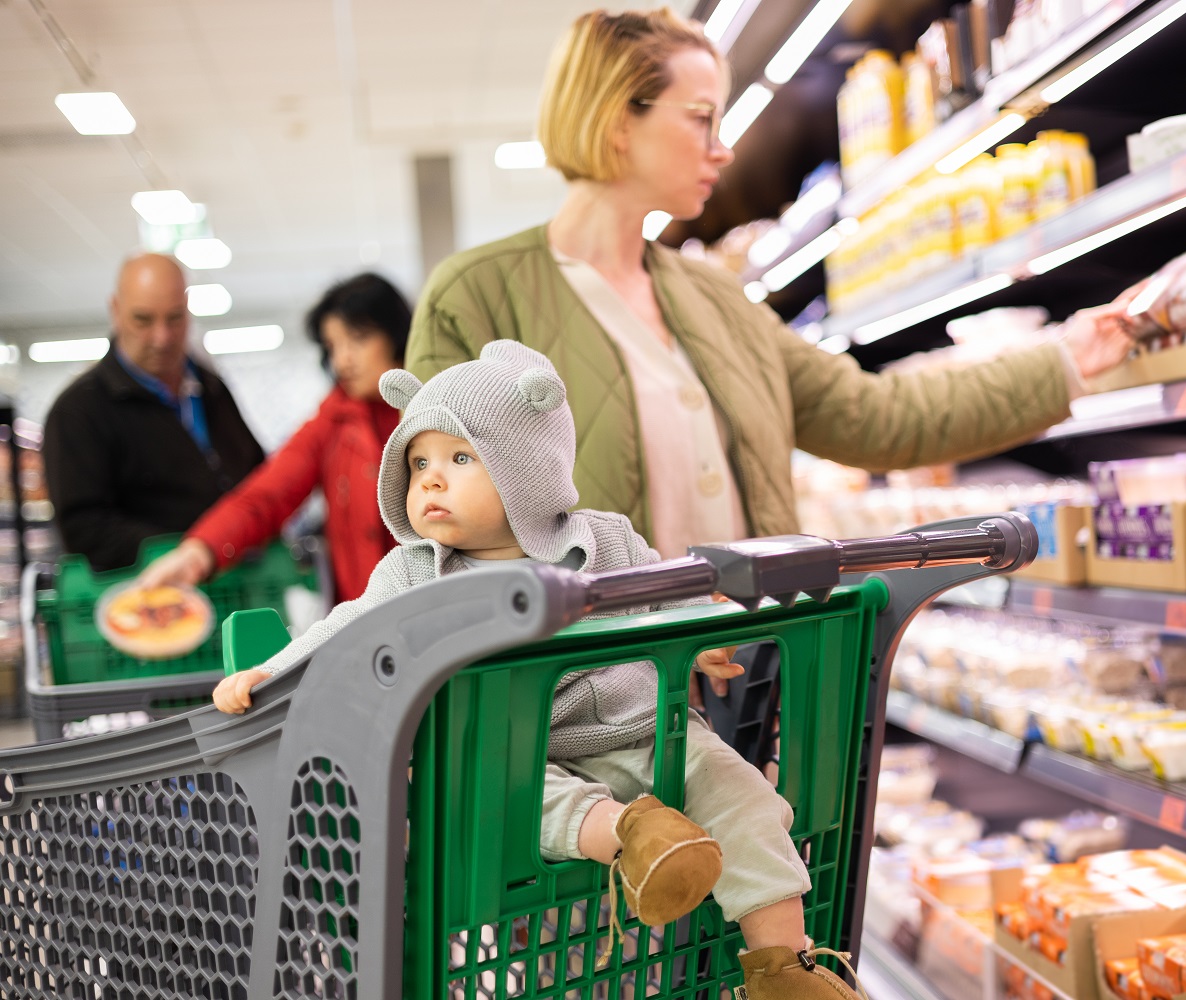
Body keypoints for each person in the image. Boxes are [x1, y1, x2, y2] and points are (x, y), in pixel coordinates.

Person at [213, 342, 857, 999]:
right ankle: (637, 835)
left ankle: (782, 966)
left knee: (741, 793)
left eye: (460, 458)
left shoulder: (604, 541)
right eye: (418, 462)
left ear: (526, 466)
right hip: (524, 757)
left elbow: (674, 591)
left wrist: (705, 640)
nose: (430, 479)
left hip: (651, 733)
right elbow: (346, 626)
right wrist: (277, 670)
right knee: (503, 800)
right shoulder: (410, 573)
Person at [403, 8, 1133, 563]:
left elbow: (879, 415)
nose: (722, 149)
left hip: (751, 680)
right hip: (592, 711)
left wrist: (1070, 357)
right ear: (618, 120)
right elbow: (453, 535)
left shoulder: (715, 299)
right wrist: (646, 616)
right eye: (700, 119)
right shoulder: (476, 295)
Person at [138, 274, 409, 602]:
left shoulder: (439, 408)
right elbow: (267, 495)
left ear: (396, 333)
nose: (341, 361)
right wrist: (200, 550)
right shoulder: (332, 422)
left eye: (358, 338)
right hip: (368, 621)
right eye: (333, 346)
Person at [43, 253, 264, 572]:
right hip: (150, 601)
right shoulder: (78, 412)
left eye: (174, 318)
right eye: (143, 320)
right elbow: (85, 529)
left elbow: (256, 473)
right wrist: (194, 551)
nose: (162, 338)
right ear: (115, 311)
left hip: (240, 581)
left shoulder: (212, 388)